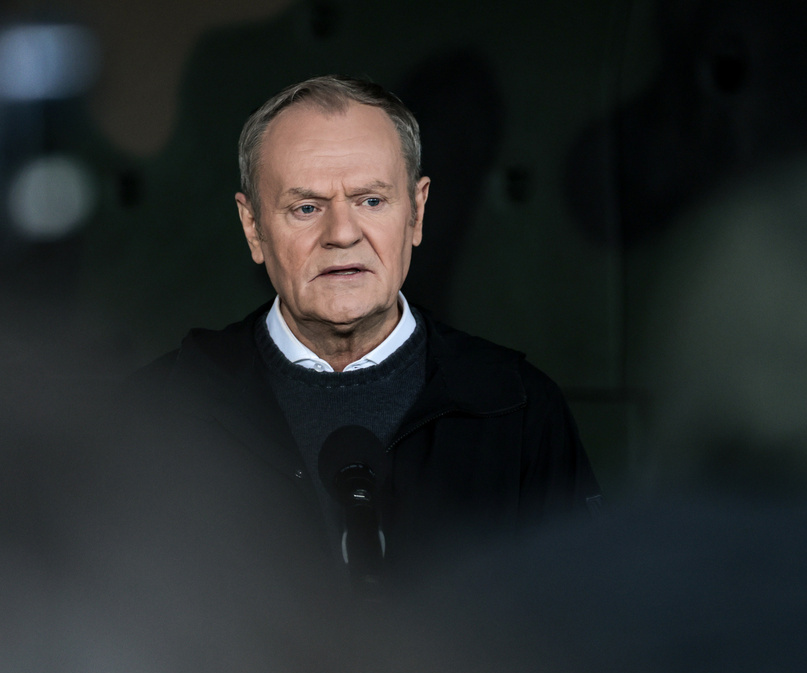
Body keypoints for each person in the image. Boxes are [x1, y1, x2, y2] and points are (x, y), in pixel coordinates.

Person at [137, 75, 601, 586]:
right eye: (306, 207)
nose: (341, 233)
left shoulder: (518, 411)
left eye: (371, 201)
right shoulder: (160, 412)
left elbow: (578, 633)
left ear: (417, 212)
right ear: (253, 228)